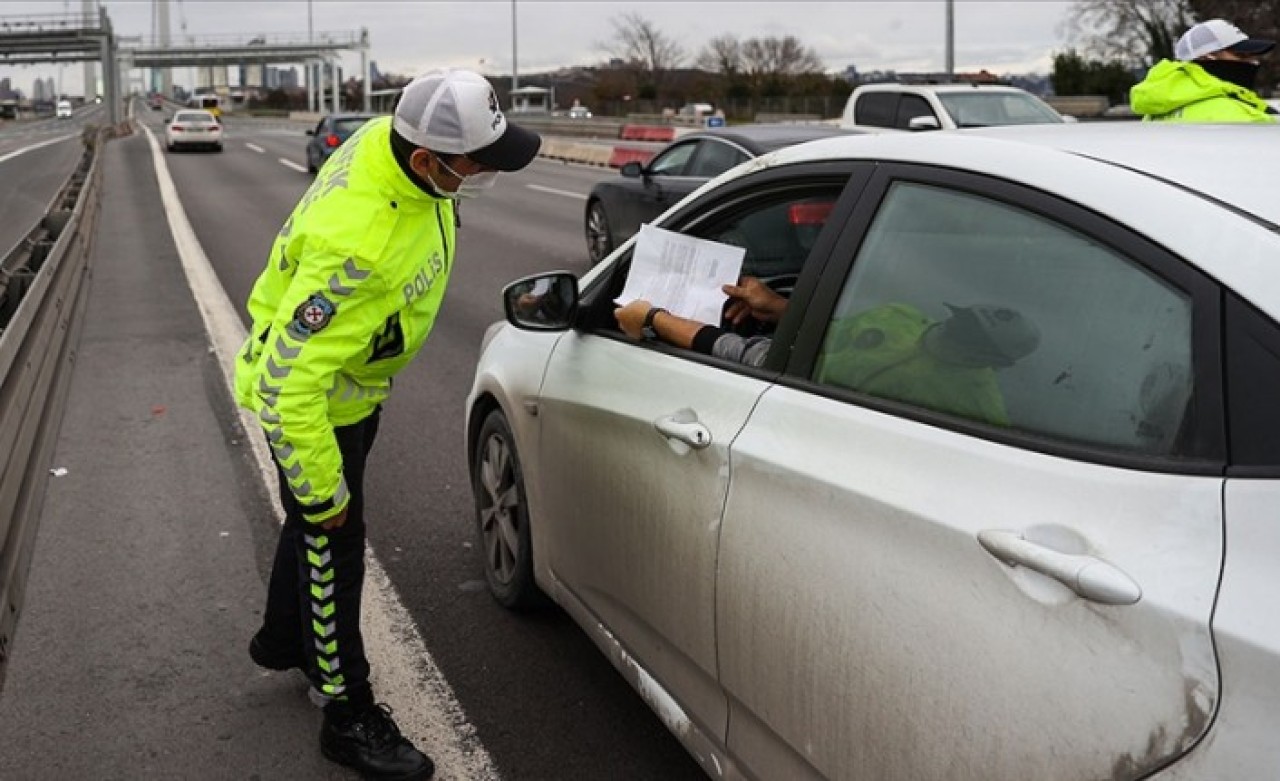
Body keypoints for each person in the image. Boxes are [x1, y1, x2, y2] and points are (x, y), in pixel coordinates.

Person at [234, 68, 540, 780]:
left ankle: (283, 638)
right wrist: (322, 491)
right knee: (331, 543)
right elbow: (286, 384)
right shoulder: (358, 249)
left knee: (309, 532)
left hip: (355, 389)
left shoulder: (390, 142)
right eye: (476, 163)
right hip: (320, 410)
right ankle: (346, 710)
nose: (486, 172)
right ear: (428, 161)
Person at [617, 285, 1039, 426]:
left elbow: (750, 358)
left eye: (968, 335)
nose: (947, 333)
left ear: (994, 363)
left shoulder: (979, 409)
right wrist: (778, 307)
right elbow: (831, 335)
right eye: (959, 320)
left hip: (799, 406)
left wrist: (654, 317)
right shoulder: (902, 317)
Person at [1130, 18, 1277, 123]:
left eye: (1251, 56)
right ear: (1207, 58)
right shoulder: (1241, 116)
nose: (1252, 62)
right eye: (1241, 55)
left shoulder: (1155, 113)